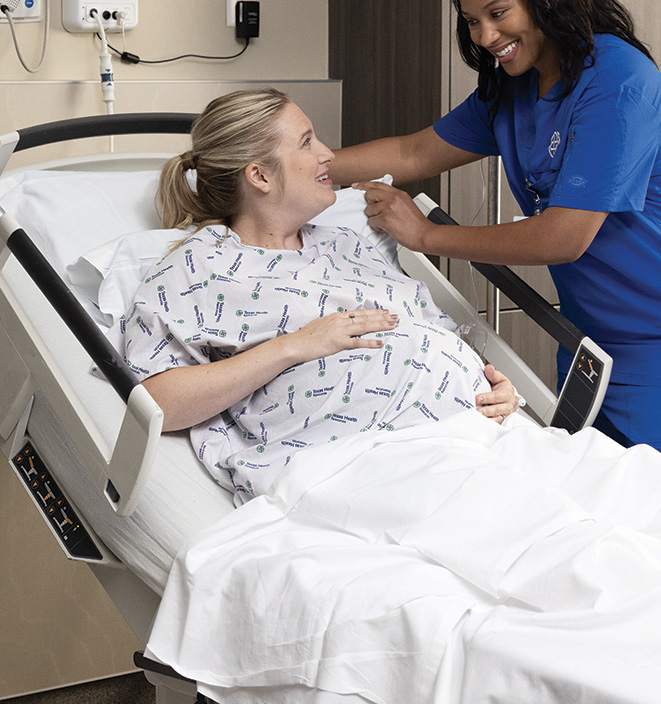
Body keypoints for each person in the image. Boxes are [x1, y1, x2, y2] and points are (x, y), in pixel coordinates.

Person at [329, 0, 661, 495]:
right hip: (589, 348)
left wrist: (426, 236)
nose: (484, 36)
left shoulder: (619, 81)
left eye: (498, 13)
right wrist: (297, 168)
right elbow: (413, 151)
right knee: (595, 531)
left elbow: (563, 236)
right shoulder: (511, 87)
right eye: (472, 20)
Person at [110, 88, 519, 505]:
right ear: (260, 176)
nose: (327, 154)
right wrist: (294, 346)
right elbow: (155, 400)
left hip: (474, 443)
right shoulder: (197, 267)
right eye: (307, 142)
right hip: (365, 473)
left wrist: (492, 386)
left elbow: (434, 333)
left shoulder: (348, 243)